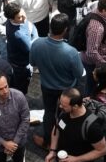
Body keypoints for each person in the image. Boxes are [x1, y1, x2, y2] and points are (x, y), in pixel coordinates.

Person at [30, 14, 85, 148]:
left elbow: (32, 62)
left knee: (48, 113)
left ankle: (48, 140)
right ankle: (63, 141)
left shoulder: (37, 43)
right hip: (66, 90)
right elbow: (79, 74)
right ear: (65, 29)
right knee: (65, 115)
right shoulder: (71, 52)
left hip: (46, 86)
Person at [46, 88, 106, 162]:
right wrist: (52, 150)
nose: (60, 107)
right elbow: (57, 129)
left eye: (63, 105)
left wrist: (76, 160)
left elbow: (102, 150)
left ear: (75, 106)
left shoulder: (92, 127)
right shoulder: (65, 112)